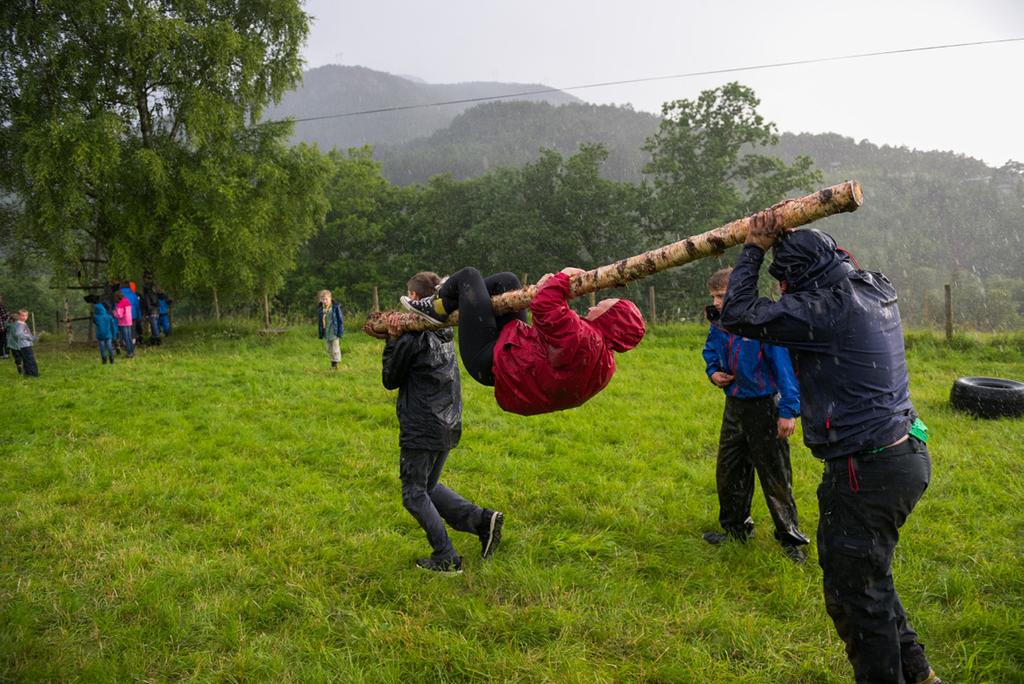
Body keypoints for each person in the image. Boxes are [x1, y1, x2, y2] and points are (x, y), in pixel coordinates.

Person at [719, 226, 940, 684]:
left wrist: (755, 248)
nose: (781, 291)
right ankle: (920, 674)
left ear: (800, 279)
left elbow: (737, 313)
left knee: (853, 596)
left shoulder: (823, 311)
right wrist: (797, 239)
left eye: (784, 281)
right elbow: (832, 265)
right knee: (868, 578)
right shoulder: (874, 286)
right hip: (903, 452)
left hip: (866, 468)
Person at [373, 271, 504, 575]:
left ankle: (446, 557)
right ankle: (482, 521)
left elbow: (389, 379)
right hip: (448, 422)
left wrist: (393, 339)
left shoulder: (414, 335)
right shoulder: (445, 330)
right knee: (429, 486)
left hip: (422, 425)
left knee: (414, 493)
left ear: (415, 298)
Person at [401, 267, 646, 416]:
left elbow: (545, 306)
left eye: (600, 307)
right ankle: (440, 306)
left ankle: (436, 305)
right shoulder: (603, 360)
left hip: (490, 360)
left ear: (611, 320)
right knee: (506, 282)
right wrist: (547, 285)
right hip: (513, 352)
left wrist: (562, 277)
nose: (593, 307)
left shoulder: (585, 339)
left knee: (469, 276)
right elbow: (557, 336)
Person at [701, 267, 810, 563]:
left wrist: (788, 411)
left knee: (775, 476)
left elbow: (784, 368)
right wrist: (713, 373)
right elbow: (710, 350)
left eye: (721, 295)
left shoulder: (762, 322)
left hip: (766, 406)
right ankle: (735, 530)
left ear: (738, 291)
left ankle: (790, 540)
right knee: (729, 471)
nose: (717, 302)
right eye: (714, 296)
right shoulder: (721, 323)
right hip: (734, 405)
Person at [316, 290, 344, 369]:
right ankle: (332, 361)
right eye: (323, 299)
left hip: (334, 331)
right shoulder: (321, 309)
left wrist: (340, 332)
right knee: (329, 348)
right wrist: (321, 333)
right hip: (326, 332)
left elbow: (340, 320)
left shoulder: (335, 308)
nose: (324, 301)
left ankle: (335, 365)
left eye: (326, 299)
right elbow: (320, 323)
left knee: (335, 348)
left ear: (330, 298)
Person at [9, 310, 39, 377]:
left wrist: (33, 338)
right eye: (22, 315)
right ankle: (33, 374)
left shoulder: (23, 323)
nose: (24, 317)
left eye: (26, 315)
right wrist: (29, 337)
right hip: (24, 345)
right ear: (19, 316)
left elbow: (26, 333)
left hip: (26, 344)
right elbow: (18, 334)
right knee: (30, 359)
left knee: (27, 359)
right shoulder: (20, 324)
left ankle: (27, 374)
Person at [89, 297, 118, 364]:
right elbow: (112, 327)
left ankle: (104, 359)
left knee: (102, 348)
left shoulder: (96, 318)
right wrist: (114, 335)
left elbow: (95, 322)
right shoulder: (109, 316)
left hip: (100, 335)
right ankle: (111, 358)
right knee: (110, 347)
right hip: (108, 334)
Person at [114, 293, 135, 358]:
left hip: (123, 322)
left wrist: (114, 313)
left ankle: (129, 353)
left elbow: (119, 315)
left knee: (126, 338)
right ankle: (132, 351)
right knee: (129, 337)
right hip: (129, 321)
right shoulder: (127, 301)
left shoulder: (120, 304)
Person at [142, 281, 162, 346]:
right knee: (155, 326)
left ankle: (158, 339)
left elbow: (148, 305)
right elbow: (158, 303)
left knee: (154, 327)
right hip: (157, 312)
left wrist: (147, 313)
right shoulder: (155, 294)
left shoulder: (147, 295)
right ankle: (154, 340)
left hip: (151, 312)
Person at [0, 295, 9, 360]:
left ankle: (2, 354)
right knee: (4, 341)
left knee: (3, 341)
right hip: (2, 327)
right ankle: (5, 354)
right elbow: (3, 317)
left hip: (3, 326)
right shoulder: (1, 306)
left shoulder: (2, 306)